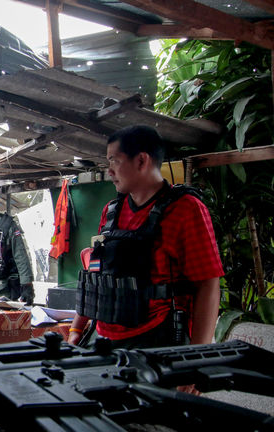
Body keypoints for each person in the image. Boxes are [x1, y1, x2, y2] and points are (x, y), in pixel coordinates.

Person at [68, 125, 223, 349]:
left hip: (158, 340)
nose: (109, 170)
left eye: (115, 160)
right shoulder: (111, 212)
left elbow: (208, 285)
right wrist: (76, 328)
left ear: (141, 161)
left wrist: (195, 358)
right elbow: (97, 274)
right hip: (105, 340)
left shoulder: (186, 209)